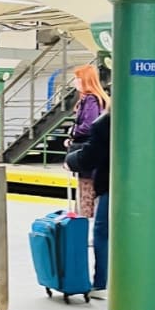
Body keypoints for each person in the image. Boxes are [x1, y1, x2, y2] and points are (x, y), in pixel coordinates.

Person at [64, 109, 110, 300]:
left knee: (102, 232)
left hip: (113, 185)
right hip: (146, 187)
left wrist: (70, 160)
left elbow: (90, 157)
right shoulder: (148, 117)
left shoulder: (105, 123)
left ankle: (102, 284)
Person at [64, 65, 110, 217]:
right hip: (93, 151)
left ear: (85, 80)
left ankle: (84, 225)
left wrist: (73, 133)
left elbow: (88, 125)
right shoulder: (98, 98)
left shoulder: (90, 99)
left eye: (78, 78)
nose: (75, 82)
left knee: (85, 193)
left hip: (86, 152)